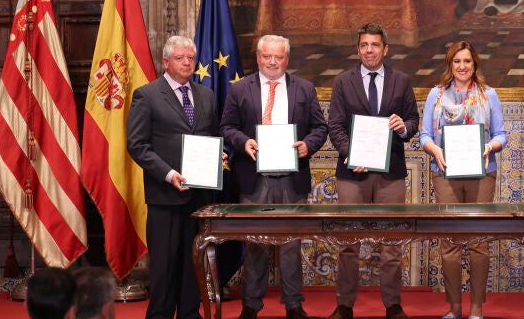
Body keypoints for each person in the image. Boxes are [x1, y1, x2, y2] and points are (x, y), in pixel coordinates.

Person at [220, 35, 329, 319]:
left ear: (287, 59)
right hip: (254, 179)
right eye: (267, 56)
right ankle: (250, 306)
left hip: (292, 178)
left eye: (278, 57)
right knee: (255, 245)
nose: (272, 62)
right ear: (258, 57)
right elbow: (227, 127)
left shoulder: (304, 88)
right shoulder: (239, 89)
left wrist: (308, 145)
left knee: (292, 244)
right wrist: (243, 142)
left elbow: (320, 127)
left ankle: (293, 304)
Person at [327, 23, 420, 319]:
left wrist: (403, 127)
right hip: (352, 174)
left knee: (391, 242)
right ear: (358, 49)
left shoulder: (401, 81)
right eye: (364, 45)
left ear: (385, 49)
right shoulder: (343, 81)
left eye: (375, 45)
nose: (369, 50)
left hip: (390, 173)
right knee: (347, 243)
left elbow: (413, 121)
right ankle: (344, 305)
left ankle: (393, 305)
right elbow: (335, 126)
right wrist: (350, 154)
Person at [127, 35, 219, 319]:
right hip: (165, 197)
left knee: (194, 263)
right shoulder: (147, 95)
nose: (187, 63)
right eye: (180, 58)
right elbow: (137, 145)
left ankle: (190, 314)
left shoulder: (206, 94)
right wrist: (168, 174)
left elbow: (213, 136)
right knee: (165, 267)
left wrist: (221, 155)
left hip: (199, 197)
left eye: (190, 58)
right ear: (166, 62)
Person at [418, 41, 507, 319]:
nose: (462, 66)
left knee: (479, 241)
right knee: (450, 242)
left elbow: (501, 135)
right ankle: (455, 308)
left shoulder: (488, 95)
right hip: (445, 174)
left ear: (474, 63)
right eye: (457, 61)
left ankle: (476, 308)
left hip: (482, 174)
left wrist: (489, 146)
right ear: (450, 64)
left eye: (467, 61)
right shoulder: (436, 95)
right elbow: (424, 136)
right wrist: (436, 150)